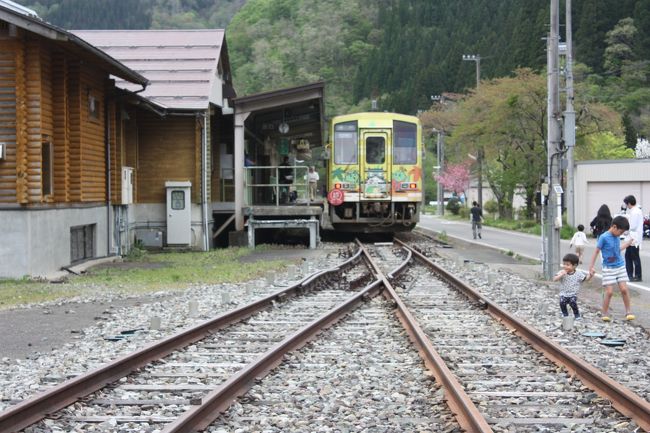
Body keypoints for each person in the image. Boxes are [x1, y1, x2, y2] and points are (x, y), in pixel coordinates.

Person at [588, 215, 635, 322]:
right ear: (614, 227)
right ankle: (604, 312)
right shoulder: (603, 237)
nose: (621, 234)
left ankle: (628, 311)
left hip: (620, 266)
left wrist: (627, 244)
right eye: (621, 232)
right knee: (609, 292)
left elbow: (617, 250)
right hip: (608, 268)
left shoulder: (617, 236)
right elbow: (596, 251)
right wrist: (591, 267)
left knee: (624, 289)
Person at [553, 253, 592, 320]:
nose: (565, 266)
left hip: (573, 294)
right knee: (562, 302)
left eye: (567, 265)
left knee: (573, 303)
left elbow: (585, 279)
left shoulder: (578, 273)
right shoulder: (562, 272)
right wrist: (561, 275)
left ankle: (577, 315)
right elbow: (554, 279)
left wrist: (591, 275)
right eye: (564, 264)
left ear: (574, 266)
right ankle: (565, 314)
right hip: (563, 293)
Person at [623, 195, 643, 281]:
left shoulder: (635, 212)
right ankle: (630, 275)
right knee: (629, 256)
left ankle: (637, 276)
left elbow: (633, 226)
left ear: (629, 203)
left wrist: (625, 230)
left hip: (633, 238)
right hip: (632, 238)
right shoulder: (635, 210)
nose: (626, 206)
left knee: (633, 257)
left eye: (626, 204)